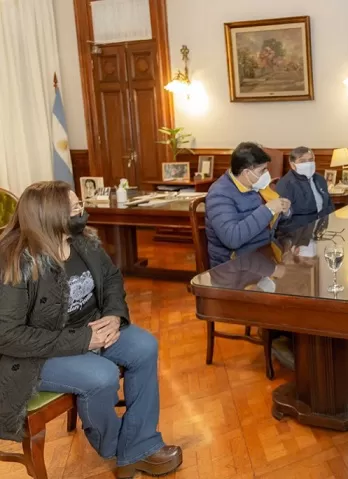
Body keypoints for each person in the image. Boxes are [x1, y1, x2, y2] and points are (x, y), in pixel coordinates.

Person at [0, 181, 181, 478]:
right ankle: (120, 448)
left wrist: (113, 315)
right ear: (51, 215)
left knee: (145, 346)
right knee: (102, 376)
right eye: (74, 208)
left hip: (94, 326)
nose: (81, 212)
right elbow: (7, 335)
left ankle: (139, 445)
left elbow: (111, 278)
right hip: (38, 352)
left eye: (79, 206)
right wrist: (85, 338)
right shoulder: (16, 262)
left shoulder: (82, 240)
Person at [205, 142, 292, 267]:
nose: (266, 174)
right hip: (235, 267)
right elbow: (232, 239)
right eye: (262, 170)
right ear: (246, 173)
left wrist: (285, 210)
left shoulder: (256, 185)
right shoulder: (219, 194)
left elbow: (277, 219)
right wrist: (268, 210)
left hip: (263, 254)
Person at [276, 146, 334, 217]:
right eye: (302, 161)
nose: (308, 164)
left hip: (323, 224)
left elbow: (329, 205)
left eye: (310, 160)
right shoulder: (286, 184)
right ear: (293, 165)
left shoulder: (320, 179)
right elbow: (282, 216)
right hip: (299, 226)